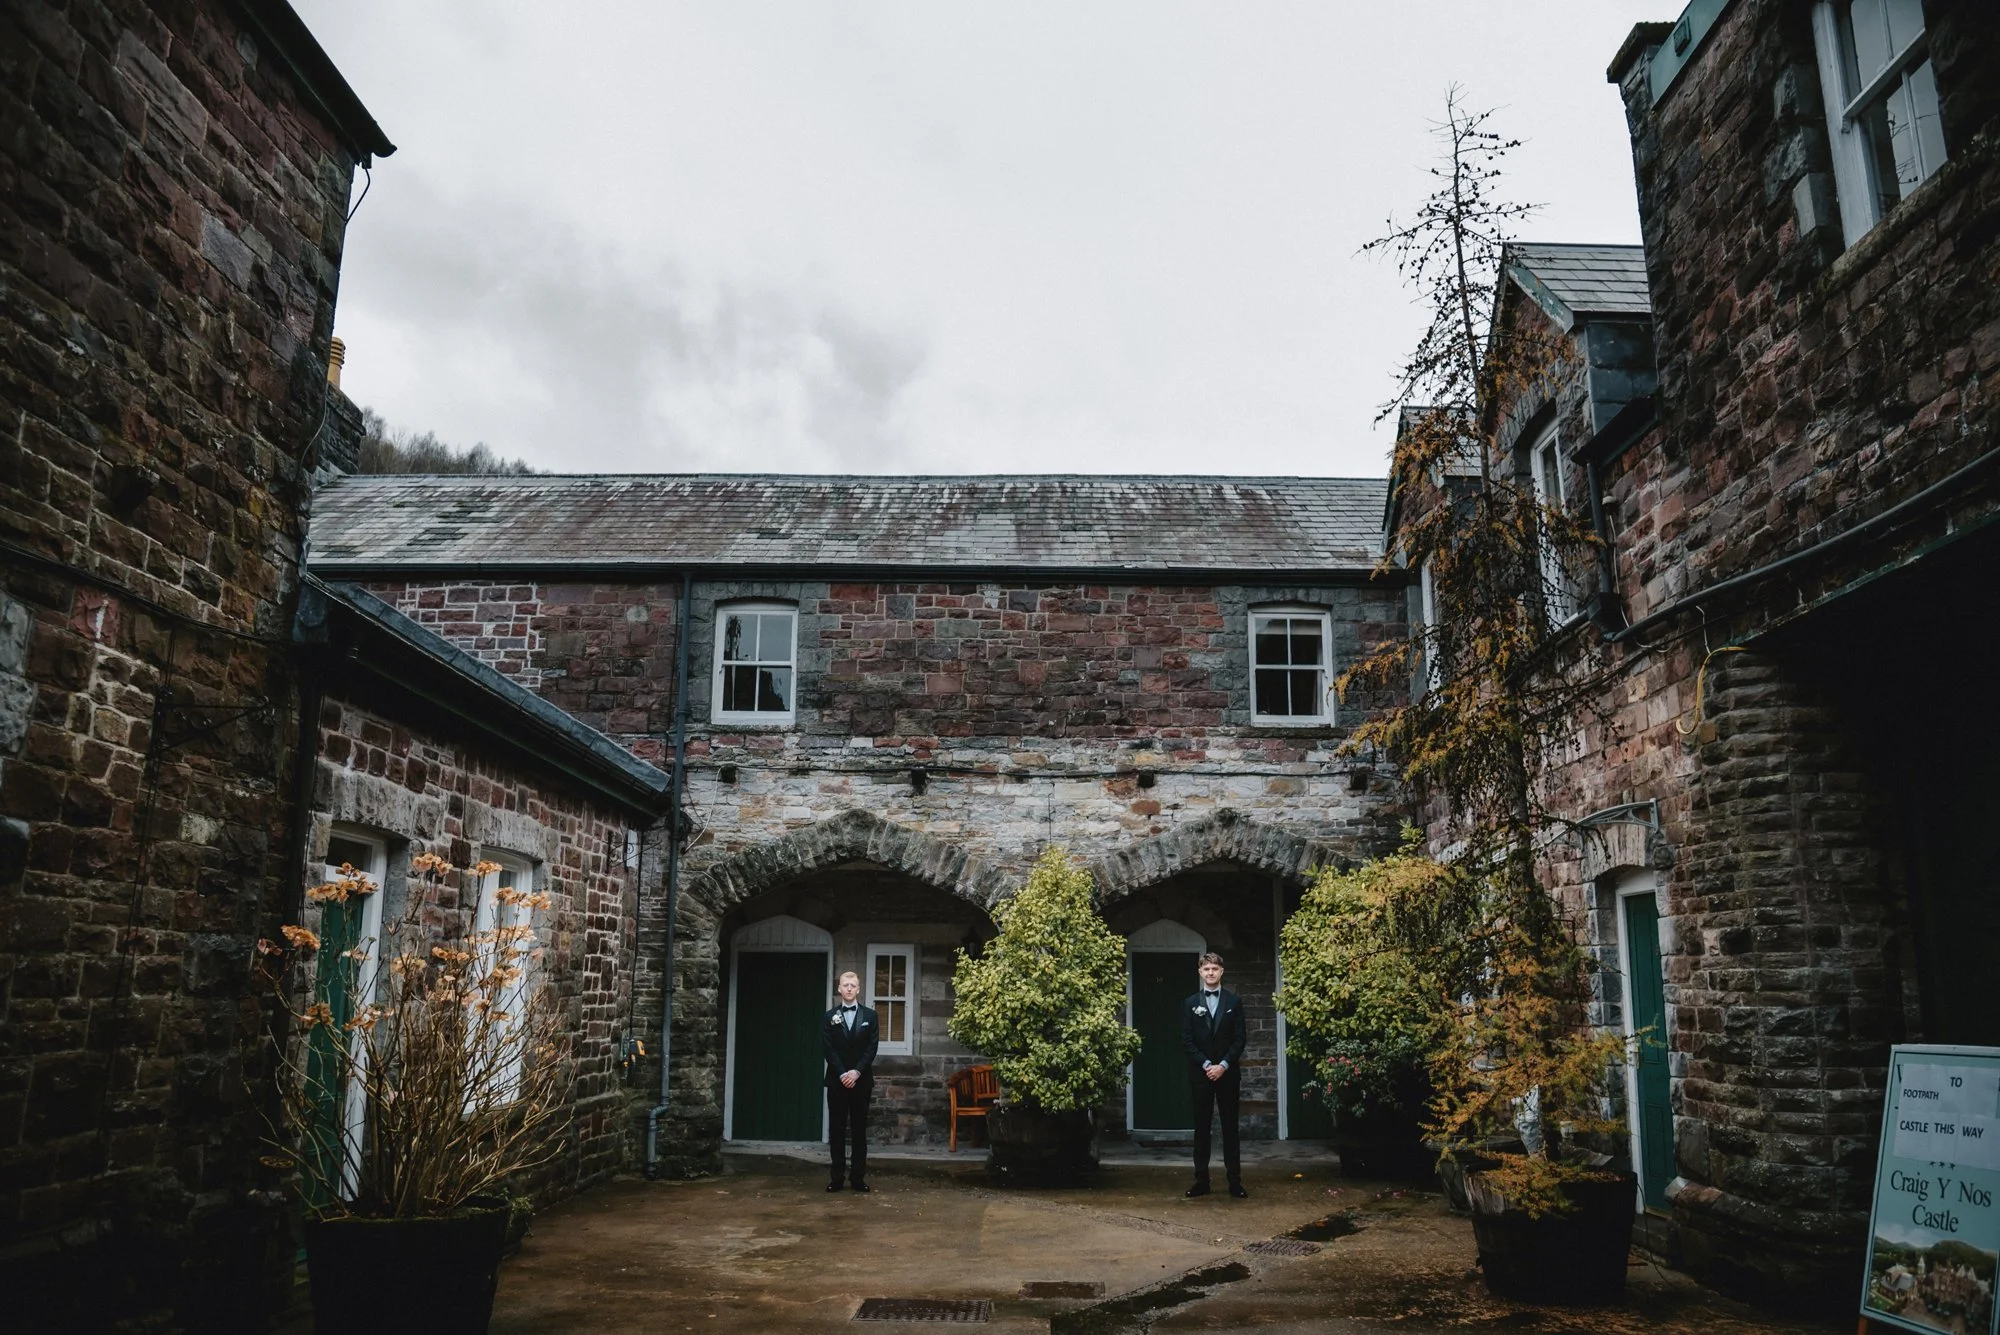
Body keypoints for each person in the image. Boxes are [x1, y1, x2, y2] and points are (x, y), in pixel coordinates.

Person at [1179, 951, 1247, 1198]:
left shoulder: (1234, 1002)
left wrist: (1224, 1065)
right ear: (1200, 972)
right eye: (1206, 969)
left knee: (1230, 1127)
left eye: (1214, 969)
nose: (1210, 973)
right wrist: (1207, 1064)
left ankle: (1235, 1182)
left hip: (1228, 1074)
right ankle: (1201, 1181)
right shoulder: (1190, 1003)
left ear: (1221, 972)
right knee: (1201, 1127)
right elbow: (1186, 1040)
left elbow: (1240, 1039)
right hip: (1201, 1074)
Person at [822, 968, 878, 1192]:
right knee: (836, 1130)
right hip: (837, 1081)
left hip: (861, 1082)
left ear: (858, 989)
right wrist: (843, 1073)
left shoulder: (870, 1016)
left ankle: (857, 1178)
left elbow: (871, 1047)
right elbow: (828, 1048)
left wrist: (856, 1072)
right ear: (839, 988)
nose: (848, 988)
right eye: (845, 985)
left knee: (858, 1130)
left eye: (852, 985)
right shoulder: (829, 1017)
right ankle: (836, 1179)